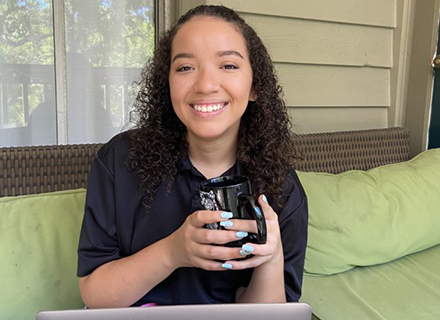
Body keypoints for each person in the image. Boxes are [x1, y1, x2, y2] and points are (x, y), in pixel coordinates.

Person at [77, 5, 308, 308]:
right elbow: (95, 296)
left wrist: (271, 257)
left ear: (255, 87)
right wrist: (173, 252)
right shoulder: (119, 161)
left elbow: (268, 315)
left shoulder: (282, 187)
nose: (206, 85)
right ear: (167, 84)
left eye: (228, 65)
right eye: (186, 67)